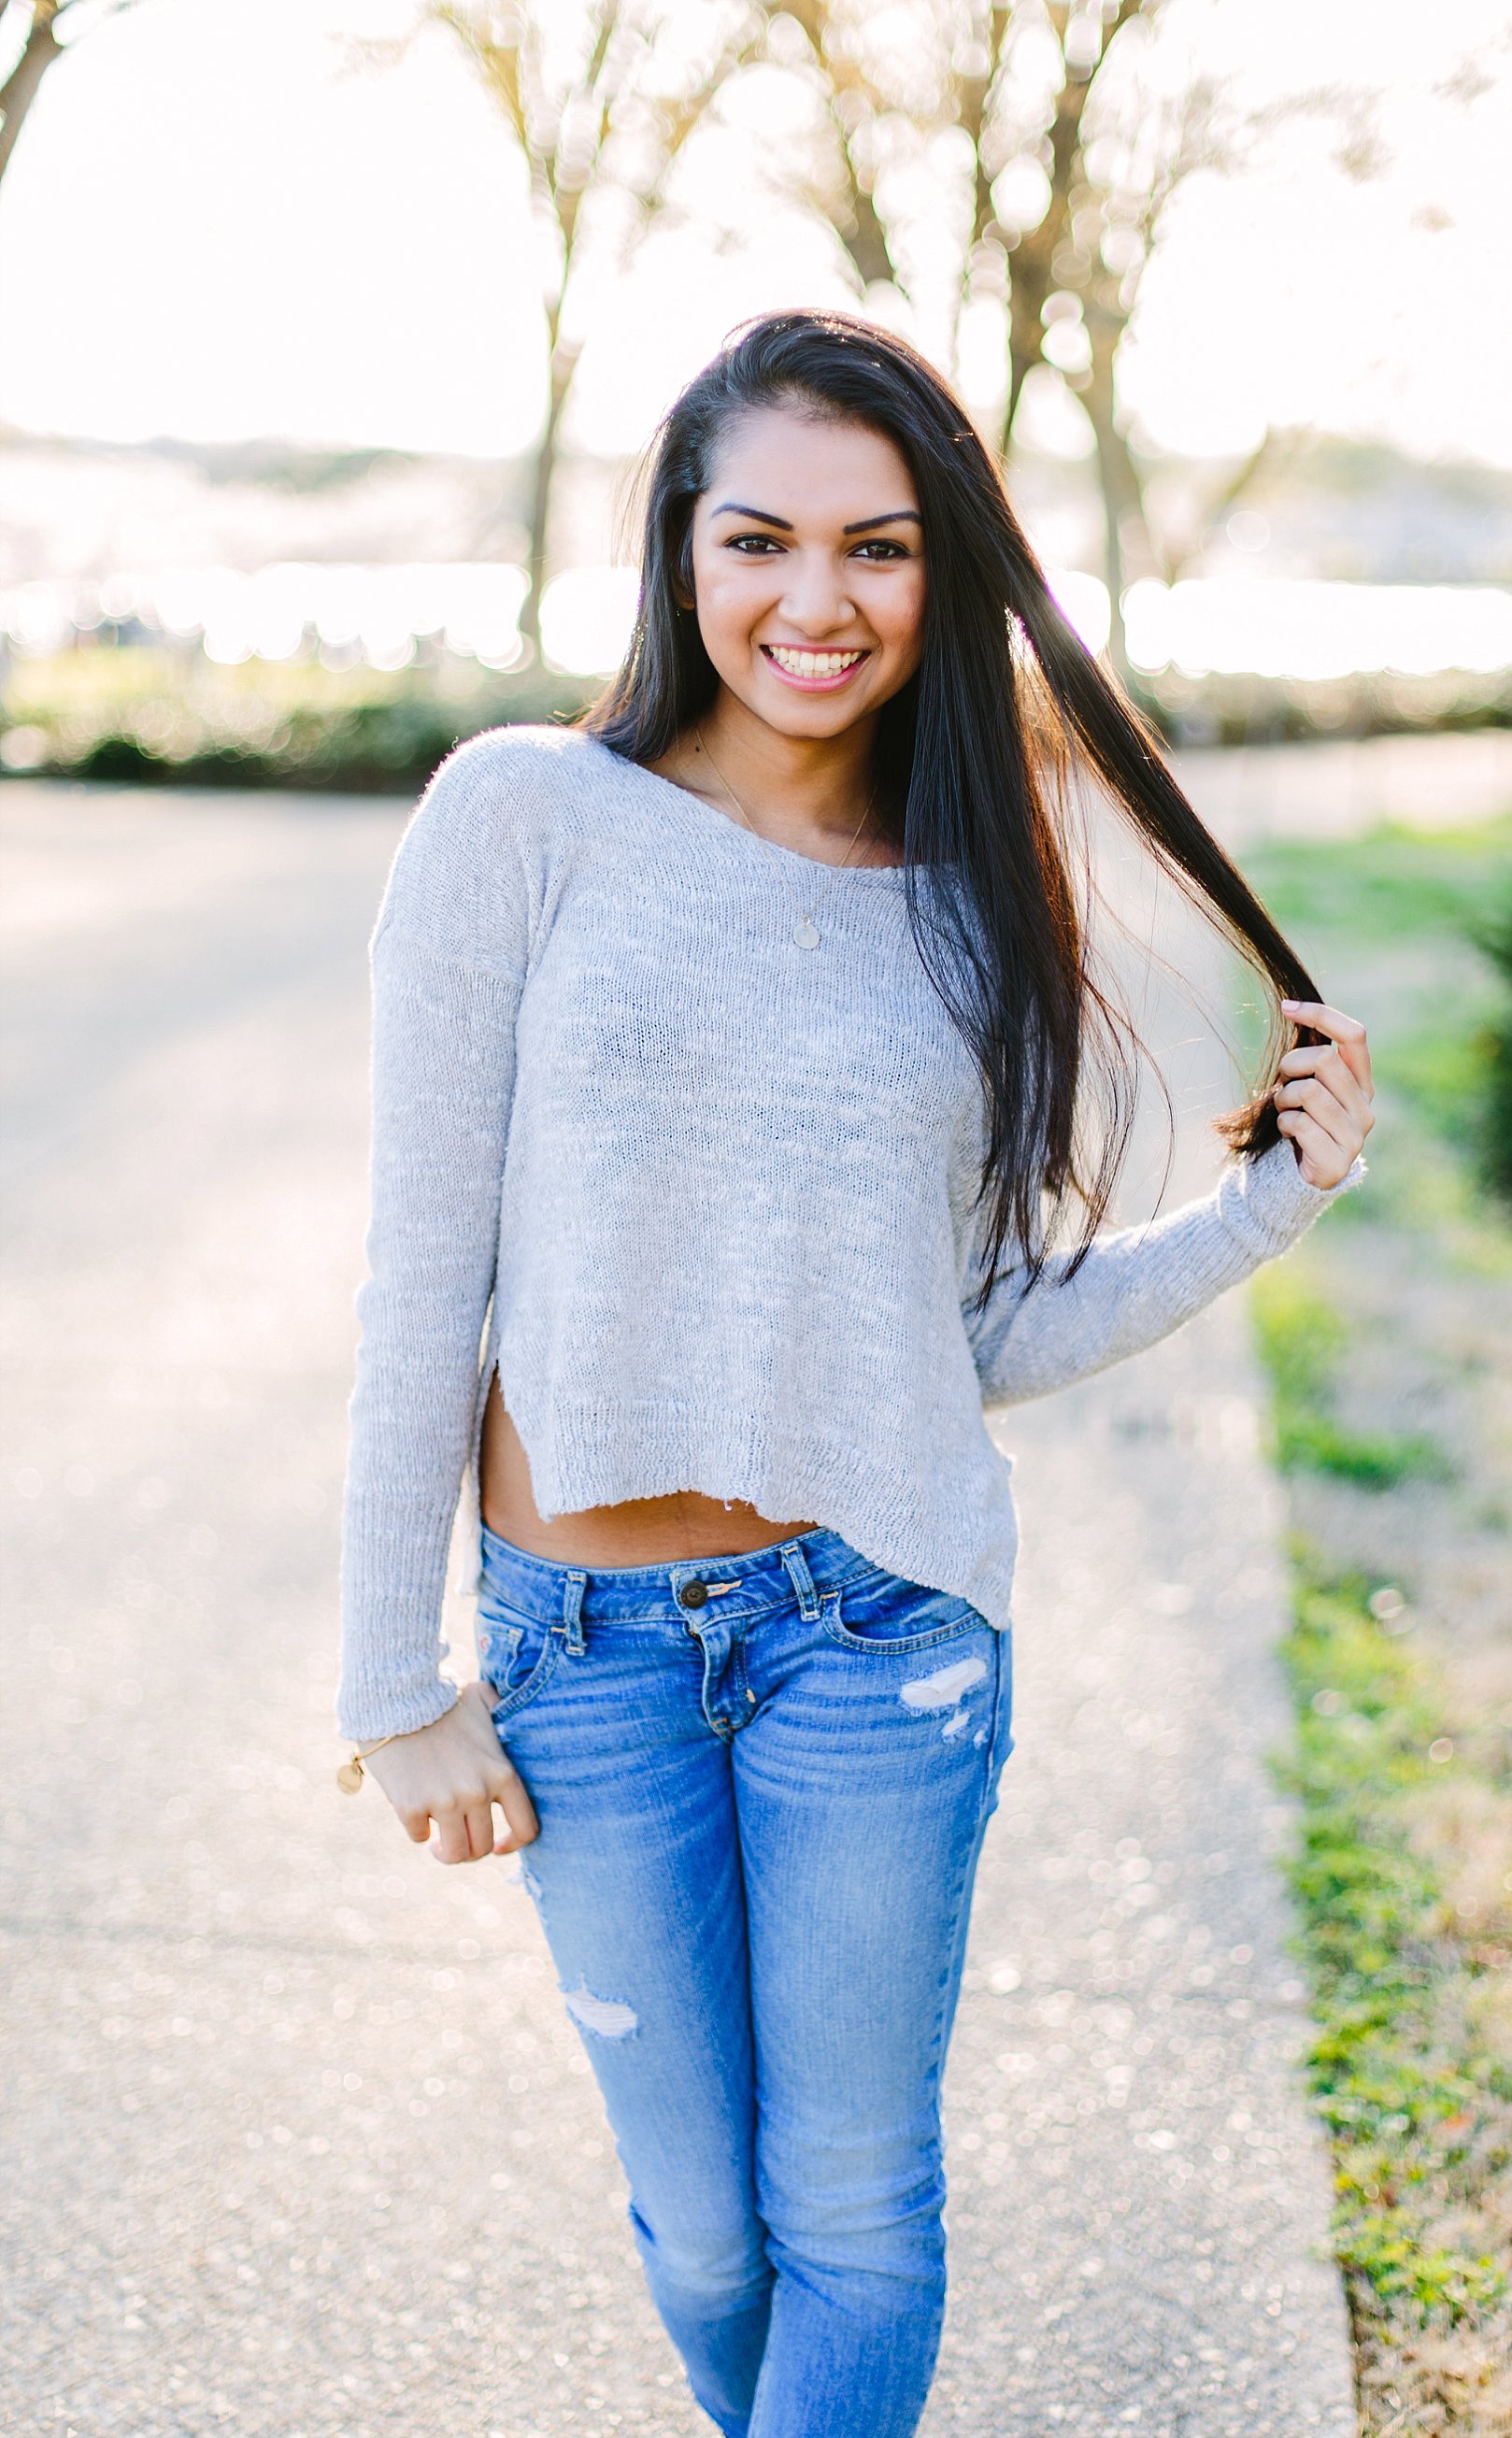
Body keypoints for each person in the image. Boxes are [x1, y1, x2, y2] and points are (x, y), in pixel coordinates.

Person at [330, 310, 1374, 2435]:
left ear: (948, 573)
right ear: (679, 548)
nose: (816, 602)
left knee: (858, 2214)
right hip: (575, 1655)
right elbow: (419, 1275)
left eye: (881, 550)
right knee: (703, 2232)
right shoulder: (523, 818)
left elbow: (965, 1335)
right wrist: (389, 1678)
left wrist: (1267, 1208)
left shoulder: (975, 907)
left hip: (874, 1637)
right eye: (762, 540)